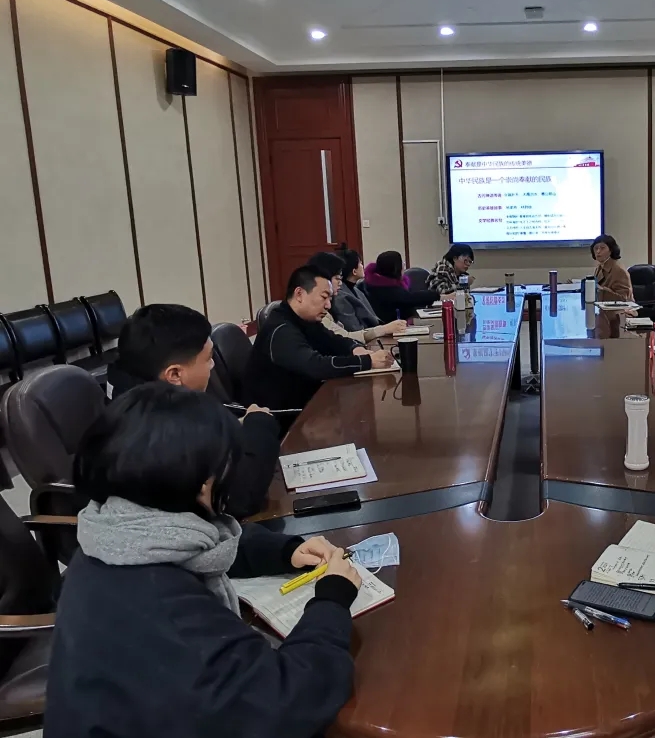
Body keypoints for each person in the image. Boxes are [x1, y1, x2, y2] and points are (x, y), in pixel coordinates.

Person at [45, 382, 363, 738]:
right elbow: (286, 701)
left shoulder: (113, 535)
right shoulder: (165, 607)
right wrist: (332, 600)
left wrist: (283, 551)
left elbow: (199, 547)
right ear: (202, 483)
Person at [105, 304, 278, 519]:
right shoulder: (154, 432)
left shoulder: (136, 399)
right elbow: (236, 500)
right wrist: (260, 425)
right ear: (175, 374)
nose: (212, 365)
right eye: (208, 358)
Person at [243, 266, 395, 411]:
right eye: (324, 297)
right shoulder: (281, 329)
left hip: (309, 399)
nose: (328, 305)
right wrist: (367, 361)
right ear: (299, 294)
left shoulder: (305, 320)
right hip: (283, 414)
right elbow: (316, 366)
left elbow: (333, 340)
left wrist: (356, 349)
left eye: (330, 298)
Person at [308, 251, 407, 342]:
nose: (340, 283)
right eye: (337, 278)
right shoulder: (338, 298)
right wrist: (384, 329)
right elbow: (347, 335)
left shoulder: (356, 289)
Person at [363, 251, 441, 323]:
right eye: (402, 264)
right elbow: (410, 298)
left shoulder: (374, 283)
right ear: (395, 269)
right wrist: (438, 295)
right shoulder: (385, 290)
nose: (403, 267)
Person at [590, 234, 633, 302]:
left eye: (602, 248)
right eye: (596, 248)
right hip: (604, 305)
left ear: (611, 250)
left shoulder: (619, 270)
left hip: (622, 308)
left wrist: (601, 290)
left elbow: (624, 298)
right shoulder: (600, 266)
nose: (598, 251)